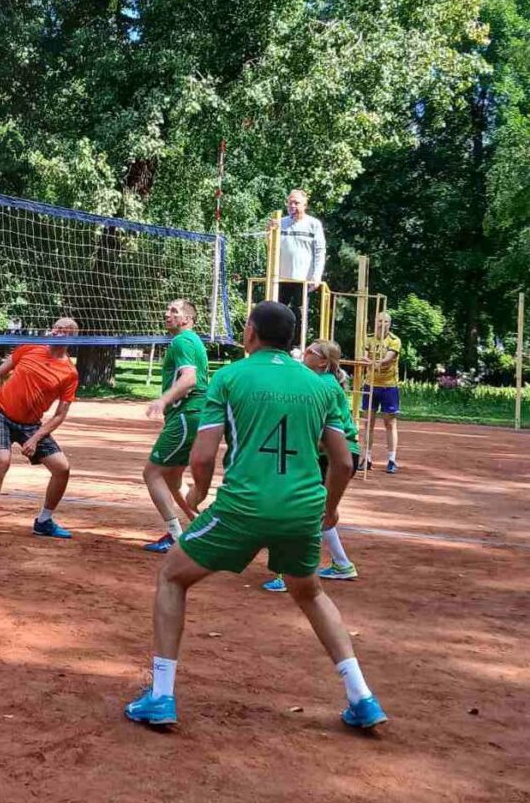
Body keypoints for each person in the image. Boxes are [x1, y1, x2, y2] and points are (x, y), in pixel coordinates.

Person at [124, 302, 387, 730]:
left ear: (251, 332)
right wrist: (329, 508)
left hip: (243, 507)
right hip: (302, 508)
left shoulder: (229, 377)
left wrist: (198, 491)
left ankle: (161, 695)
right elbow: (343, 462)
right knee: (311, 593)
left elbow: (203, 455)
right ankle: (363, 698)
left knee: (172, 576)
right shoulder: (322, 386)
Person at [0, 318, 80, 546]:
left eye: (63, 330)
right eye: (56, 328)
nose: (57, 332)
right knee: (2, 461)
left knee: (62, 468)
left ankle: (44, 521)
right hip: (0, 413)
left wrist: (35, 438)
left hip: (31, 425)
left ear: (72, 338)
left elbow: (60, 415)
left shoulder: (70, 373)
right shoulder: (30, 348)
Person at [264, 339, 362, 592]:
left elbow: (322, 431)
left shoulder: (321, 385)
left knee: (299, 510)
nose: (304, 352)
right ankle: (341, 564)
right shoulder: (324, 382)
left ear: (323, 361)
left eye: (311, 351)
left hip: (334, 454)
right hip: (339, 453)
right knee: (318, 511)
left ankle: (289, 572)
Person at [142, 300, 210, 553]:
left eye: (174, 311)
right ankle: (201, 528)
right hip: (193, 415)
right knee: (172, 477)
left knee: (152, 473)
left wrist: (163, 400)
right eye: (167, 310)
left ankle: (174, 535)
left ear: (187, 319)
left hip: (186, 414)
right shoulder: (192, 341)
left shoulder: (182, 340)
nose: (167, 314)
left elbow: (189, 378)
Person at [267, 189, 326, 347]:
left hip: (303, 279)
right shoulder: (280, 222)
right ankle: (275, 345)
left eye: (296, 203)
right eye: (290, 203)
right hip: (280, 277)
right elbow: (270, 247)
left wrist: (317, 276)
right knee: (277, 312)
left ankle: (297, 346)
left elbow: (320, 251)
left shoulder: (313, 224)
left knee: (299, 313)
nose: (292, 206)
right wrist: (269, 232)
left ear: (305, 205)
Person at [362, 311, 402, 473]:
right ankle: (367, 458)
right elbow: (363, 356)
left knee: (390, 423)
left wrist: (372, 362)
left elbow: (387, 359)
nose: (382, 324)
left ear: (389, 324)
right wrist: (371, 361)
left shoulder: (394, 340)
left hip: (389, 385)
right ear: (375, 322)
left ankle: (392, 459)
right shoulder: (369, 339)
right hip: (370, 384)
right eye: (379, 321)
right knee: (368, 422)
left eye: (385, 321)